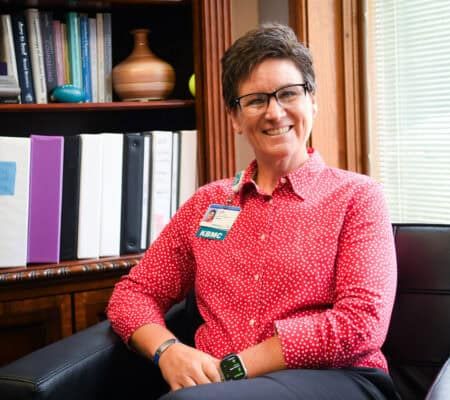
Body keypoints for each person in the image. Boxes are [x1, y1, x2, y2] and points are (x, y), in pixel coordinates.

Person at [107, 23, 399, 400]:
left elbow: (360, 324)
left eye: (288, 94)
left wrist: (235, 366)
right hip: (216, 390)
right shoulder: (206, 204)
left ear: (312, 101)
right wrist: (168, 351)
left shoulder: (358, 197)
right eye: (257, 100)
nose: (275, 113)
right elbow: (133, 293)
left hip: (337, 379)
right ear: (235, 118)